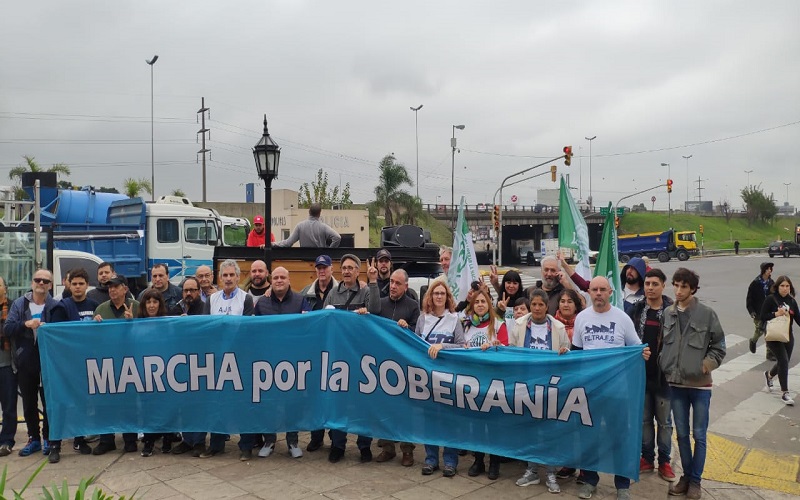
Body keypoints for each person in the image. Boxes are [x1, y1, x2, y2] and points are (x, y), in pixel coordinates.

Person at [571, 276, 651, 500]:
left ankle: (622, 485)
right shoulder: (582, 318)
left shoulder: (622, 318)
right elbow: (576, 352)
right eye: (594, 289)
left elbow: (637, 347)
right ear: (589, 292)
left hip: (617, 391)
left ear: (610, 292)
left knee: (619, 437)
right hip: (590, 390)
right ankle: (589, 480)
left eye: (602, 289)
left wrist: (643, 352)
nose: (598, 293)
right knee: (589, 437)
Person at [659, 268, 725, 499]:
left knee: (699, 435)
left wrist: (706, 364)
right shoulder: (668, 313)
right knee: (682, 434)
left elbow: (719, 346)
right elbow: (664, 345)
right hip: (676, 385)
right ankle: (686, 476)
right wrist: (663, 362)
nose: (678, 290)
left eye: (683, 286)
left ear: (693, 289)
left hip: (699, 387)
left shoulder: (707, 314)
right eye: (676, 285)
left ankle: (696, 480)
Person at [241, 267, 310, 461]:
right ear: (272, 280)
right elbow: (253, 330)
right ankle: (269, 441)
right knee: (269, 403)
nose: (279, 280)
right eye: (276, 277)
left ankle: (293, 442)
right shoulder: (262, 303)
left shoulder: (300, 301)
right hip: (268, 361)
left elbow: (309, 327)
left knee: (292, 404)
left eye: (283, 277)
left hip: (293, 362)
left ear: (289, 280)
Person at [510, 289, 569, 493]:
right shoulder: (518, 326)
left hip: (550, 385)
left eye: (540, 305)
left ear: (547, 307)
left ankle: (551, 473)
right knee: (530, 428)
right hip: (526, 384)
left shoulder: (558, 328)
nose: (536, 308)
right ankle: (532, 470)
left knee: (550, 429)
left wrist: (564, 352)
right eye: (533, 304)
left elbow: (566, 353)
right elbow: (510, 352)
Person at [322, 255, 379, 463]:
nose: (346, 271)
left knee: (363, 404)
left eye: (350, 268)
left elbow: (375, 311)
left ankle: (364, 446)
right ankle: (338, 445)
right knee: (338, 404)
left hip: (360, 356)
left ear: (357, 271)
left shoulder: (365, 291)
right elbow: (323, 320)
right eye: (343, 267)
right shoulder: (332, 294)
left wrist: (372, 283)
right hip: (338, 358)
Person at [198, 259, 255, 458]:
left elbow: (247, 330)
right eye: (225, 275)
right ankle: (216, 444)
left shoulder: (246, 299)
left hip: (240, 358)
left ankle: (246, 446)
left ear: (238, 277)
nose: (229, 278)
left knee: (243, 402)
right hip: (217, 359)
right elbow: (206, 328)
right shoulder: (212, 300)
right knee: (217, 401)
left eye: (232, 275)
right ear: (220, 278)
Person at [367, 269, 421, 467]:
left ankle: (407, 450)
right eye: (391, 282)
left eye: (398, 283)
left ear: (406, 286)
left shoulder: (413, 306)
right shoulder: (380, 304)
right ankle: (387, 447)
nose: (393, 286)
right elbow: (370, 322)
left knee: (405, 408)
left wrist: (408, 328)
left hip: (404, 365)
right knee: (384, 407)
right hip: (382, 364)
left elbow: (418, 333)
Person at [627, 268, 675, 481]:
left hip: (665, 377)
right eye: (647, 284)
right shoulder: (636, 310)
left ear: (663, 286)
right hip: (641, 376)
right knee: (644, 420)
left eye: (655, 284)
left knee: (664, 423)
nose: (650, 288)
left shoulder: (673, 311)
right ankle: (647, 457)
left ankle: (664, 461)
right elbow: (627, 340)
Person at [48, 268, 100, 463]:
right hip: (64, 366)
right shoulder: (61, 307)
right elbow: (56, 336)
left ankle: (79, 439)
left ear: (87, 285)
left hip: (86, 364)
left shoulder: (95, 306)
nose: (77, 287)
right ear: (68, 284)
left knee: (81, 403)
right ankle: (55, 444)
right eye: (74, 283)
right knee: (60, 404)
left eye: (81, 283)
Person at [5, 269, 59, 458]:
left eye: (46, 281)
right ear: (32, 282)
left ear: (50, 285)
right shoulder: (20, 304)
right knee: (28, 403)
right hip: (25, 362)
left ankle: (49, 439)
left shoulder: (56, 305)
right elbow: (8, 328)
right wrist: (25, 324)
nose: (41, 283)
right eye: (38, 279)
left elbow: (63, 330)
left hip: (49, 363)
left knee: (48, 403)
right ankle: (33, 438)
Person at [418, 279, 466, 478]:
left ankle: (450, 460)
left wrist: (443, 347)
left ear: (447, 297)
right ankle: (430, 458)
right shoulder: (423, 318)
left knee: (449, 420)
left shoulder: (454, 319)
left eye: (442, 294)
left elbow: (463, 346)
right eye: (436, 293)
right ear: (430, 296)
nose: (439, 296)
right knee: (429, 418)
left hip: (448, 376)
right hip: (427, 377)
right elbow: (416, 345)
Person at [460, 287, 509, 480]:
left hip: (493, 381)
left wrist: (494, 347)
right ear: (472, 306)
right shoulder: (466, 325)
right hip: (473, 381)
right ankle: (478, 459)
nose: (480, 305)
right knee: (477, 423)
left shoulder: (498, 324)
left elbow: (506, 348)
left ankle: (494, 462)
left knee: (494, 424)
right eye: (477, 302)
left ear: (488, 304)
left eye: (483, 302)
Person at [92, 275, 139, 455]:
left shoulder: (136, 306)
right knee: (105, 402)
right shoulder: (101, 309)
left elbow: (146, 333)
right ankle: (106, 440)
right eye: (109, 287)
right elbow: (95, 338)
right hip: (107, 362)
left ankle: (130, 439)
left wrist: (132, 322)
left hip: (130, 361)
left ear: (125, 288)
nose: (111, 290)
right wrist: (93, 325)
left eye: (115, 286)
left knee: (129, 402)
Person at [137, 289, 176, 457]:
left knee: (167, 406)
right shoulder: (137, 324)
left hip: (166, 370)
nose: (152, 305)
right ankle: (149, 441)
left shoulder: (168, 323)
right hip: (144, 372)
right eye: (148, 302)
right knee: (148, 408)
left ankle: (168, 439)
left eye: (155, 302)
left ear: (160, 304)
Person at [760, 275, 798, 406]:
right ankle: (785, 393)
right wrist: (776, 314)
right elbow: (762, 316)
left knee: (784, 361)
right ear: (777, 287)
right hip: (774, 335)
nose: (785, 288)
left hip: (787, 335)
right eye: (782, 286)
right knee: (783, 361)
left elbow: (798, 318)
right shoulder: (771, 299)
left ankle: (769, 375)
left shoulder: (792, 301)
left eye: (787, 286)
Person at [0, 276, 17, 458]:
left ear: (5, 288)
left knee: (9, 406)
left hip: (6, 363)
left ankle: (6, 441)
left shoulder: (12, 307)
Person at [275, 203, 341, 248]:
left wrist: (272, 244)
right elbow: (337, 237)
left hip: (305, 260)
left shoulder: (300, 226)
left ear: (309, 212)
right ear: (319, 214)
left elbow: (288, 243)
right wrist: (329, 251)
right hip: (320, 260)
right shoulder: (323, 227)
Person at [747, 262, 775, 360]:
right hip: (758, 312)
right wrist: (751, 311)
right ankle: (753, 341)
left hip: (769, 312)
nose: (769, 271)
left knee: (768, 332)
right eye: (767, 269)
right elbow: (749, 299)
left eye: (770, 269)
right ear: (763, 270)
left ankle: (770, 353)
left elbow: (775, 297)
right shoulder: (755, 283)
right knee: (759, 330)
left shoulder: (772, 283)